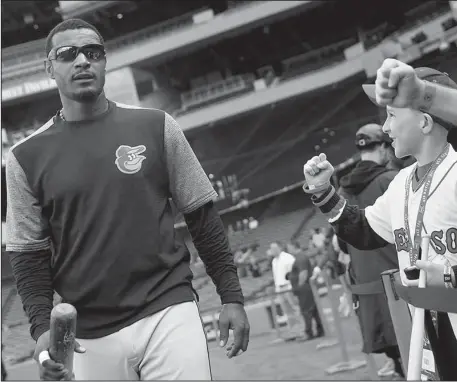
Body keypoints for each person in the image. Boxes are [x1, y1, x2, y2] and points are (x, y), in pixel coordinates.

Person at [5, 19, 249, 381]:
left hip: (168, 308)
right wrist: (42, 328)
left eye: (93, 52)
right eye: (68, 54)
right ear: (49, 68)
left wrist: (231, 296)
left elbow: (202, 216)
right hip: (87, 332)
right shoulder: (24, 157)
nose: (83, 61)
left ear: (105, 61)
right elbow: (28, 255)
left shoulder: (157, 126)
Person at [302, 59, 457, 380]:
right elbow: (363, 231)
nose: (386, 129)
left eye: (392, 116)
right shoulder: (400, 182)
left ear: (426, 122)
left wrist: (447, 275)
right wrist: (323, 192)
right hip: (428, 326)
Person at [336, 123, 404, 378]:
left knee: (397, 357)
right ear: (384, 147)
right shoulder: (391, 180)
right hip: (398, 281)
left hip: (367, 286)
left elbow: (342, 243)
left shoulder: (342, 191)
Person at [286, 241, 324, 340]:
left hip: (304, 289)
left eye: (289, 247)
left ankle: (309, 332)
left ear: (294, 246)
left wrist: (299, 286)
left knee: (306, 311)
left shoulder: (300, 257)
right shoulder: (300, 257)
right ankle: (320, 330)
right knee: (313, 310)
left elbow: (303, 273)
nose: (288, 250)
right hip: (307, 288)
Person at [268, 242, 301, 331]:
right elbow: (276, 276)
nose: (273, 251)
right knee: (287, 311)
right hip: (280, 288)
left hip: (288, 287)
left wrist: (293, 285)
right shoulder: (274, 261)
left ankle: (302, 327)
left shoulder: (287, 258)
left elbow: (294, 272)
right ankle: (294, 329)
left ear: (279, 248)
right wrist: (277, 288)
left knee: (295, 307)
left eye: (274, 248)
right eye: (271, 249)